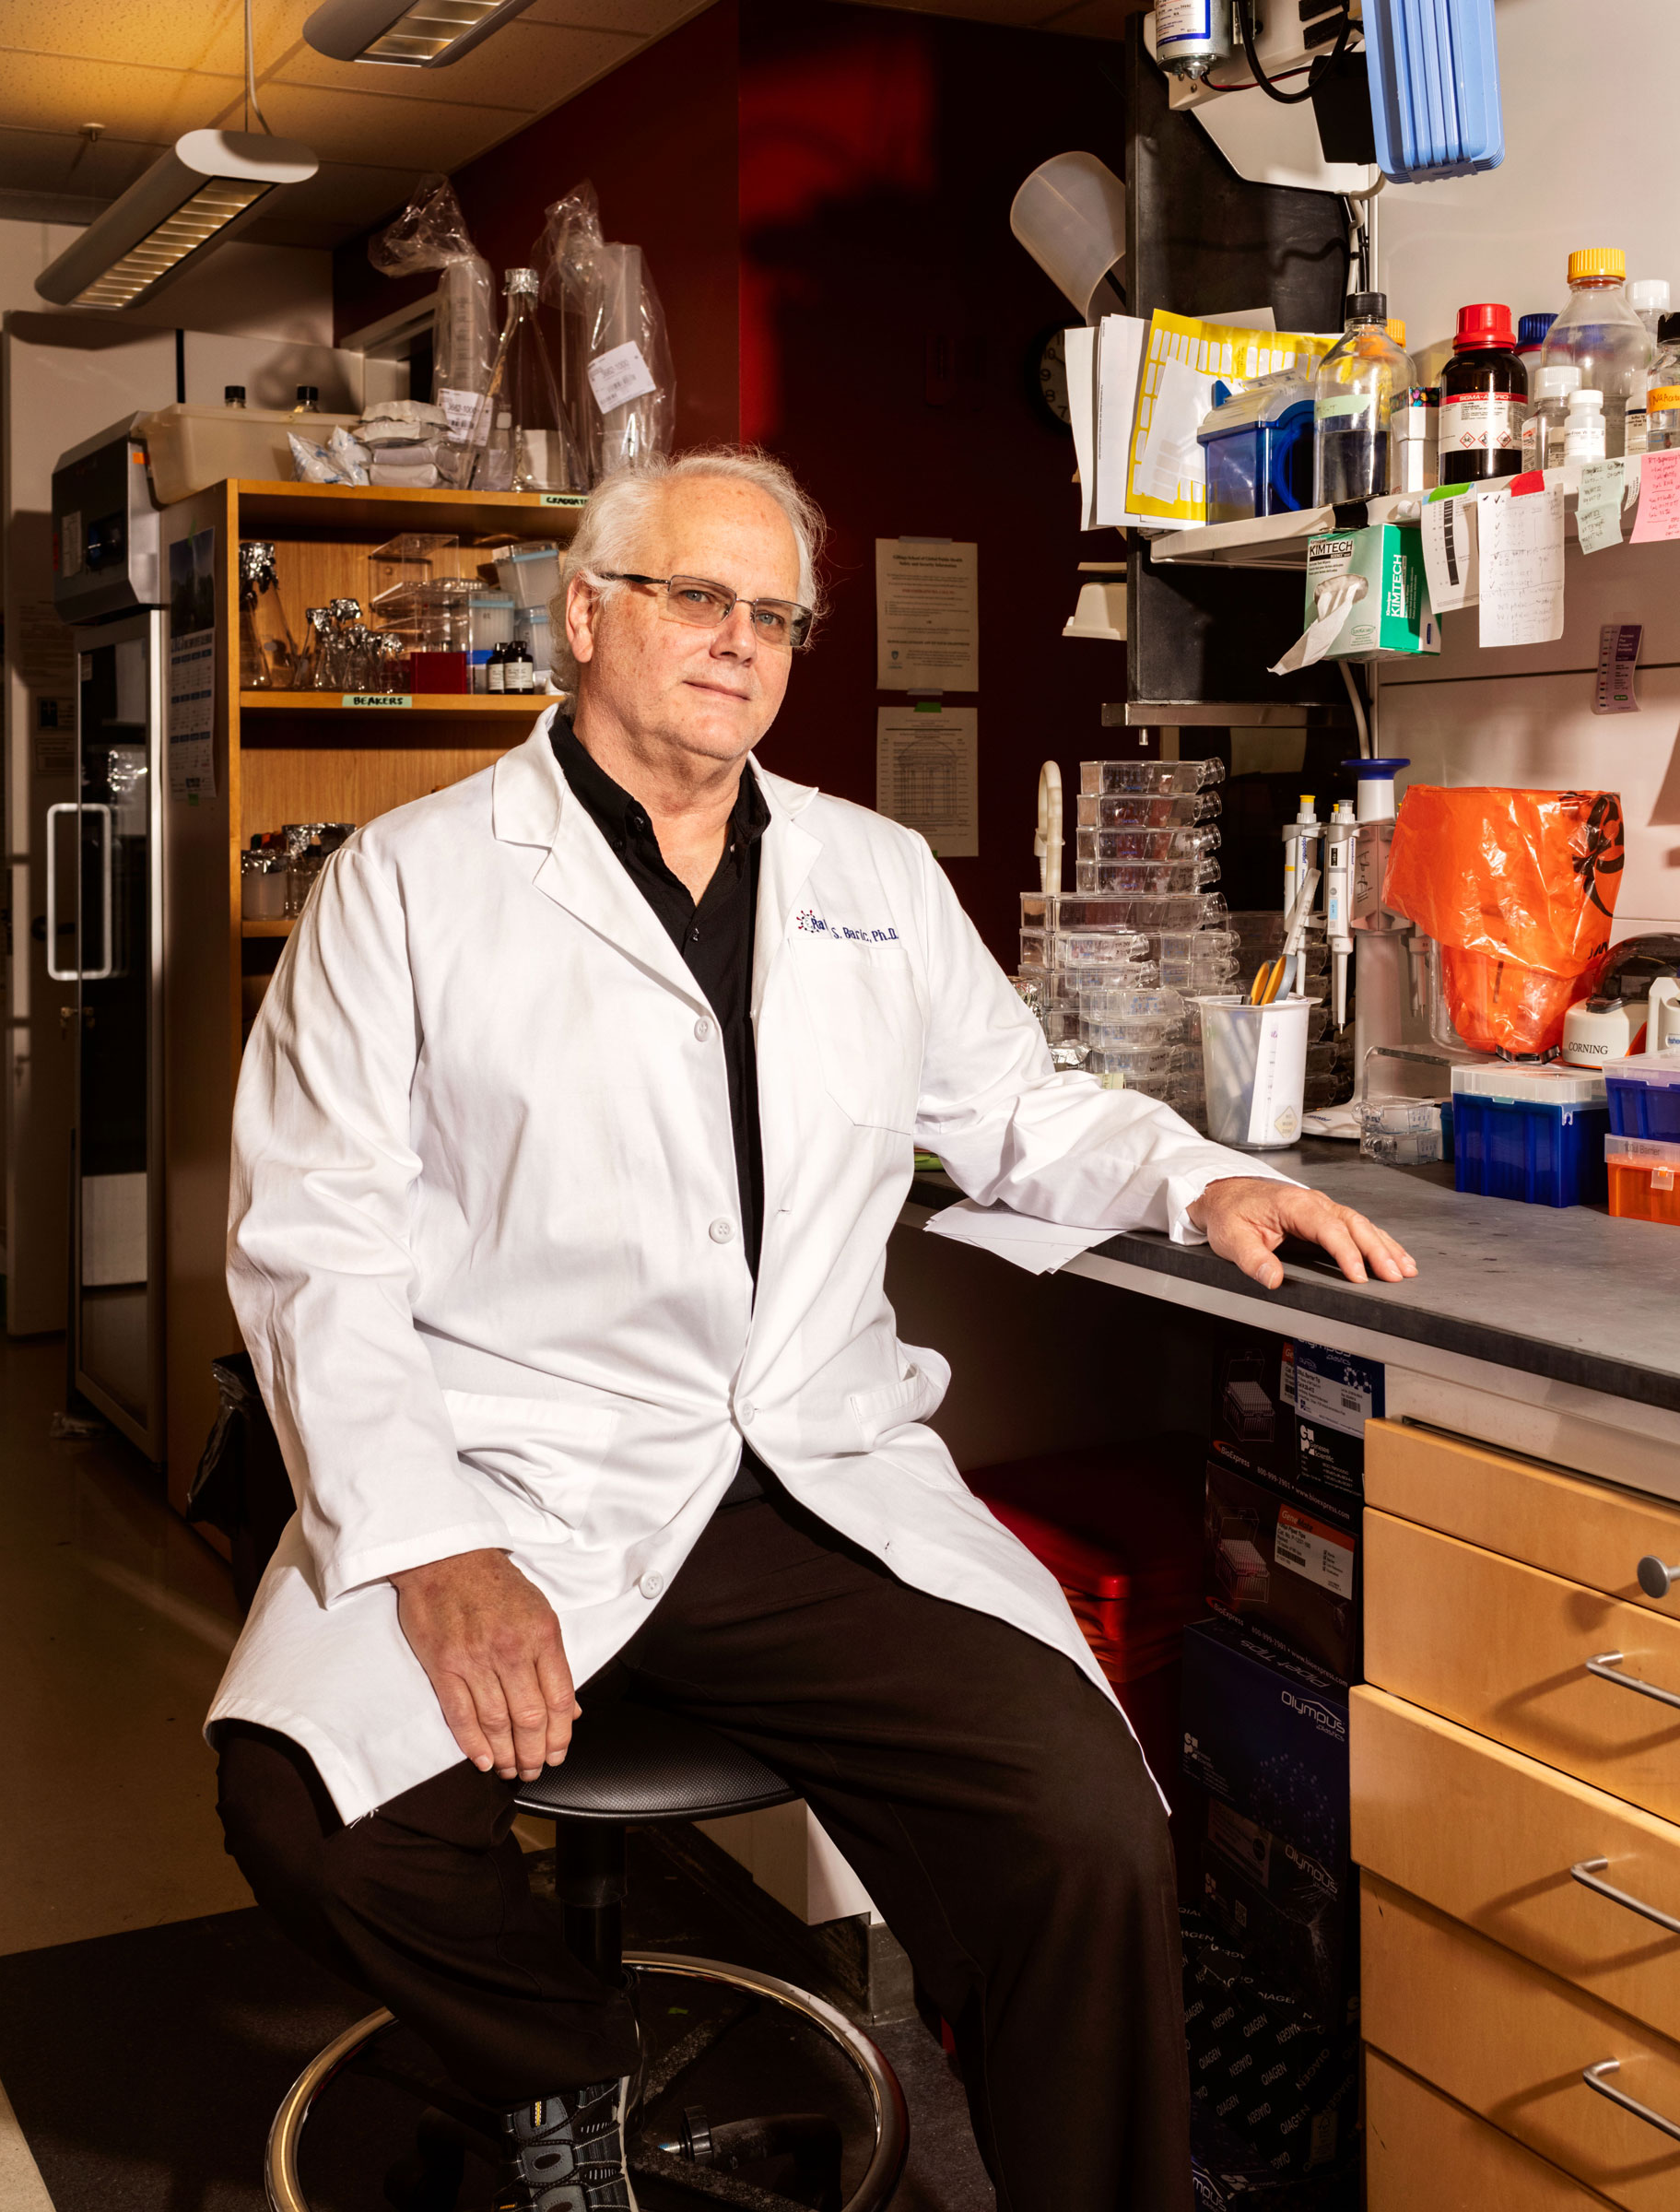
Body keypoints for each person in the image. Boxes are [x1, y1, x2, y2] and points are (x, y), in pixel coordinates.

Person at [211, 447, 1415, 2212]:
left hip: (804, 1488)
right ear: (587, 613)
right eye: (698, 597)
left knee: (1083, 1825)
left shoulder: (870, 871)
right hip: (515, 1478)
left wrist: (1192, 1178)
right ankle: (566, 2073)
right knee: (305, 1807)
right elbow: (312, 1243)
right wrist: (440, 1547)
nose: (741, 643)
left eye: (774, 615)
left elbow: (1022, 1108)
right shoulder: (410, 884)